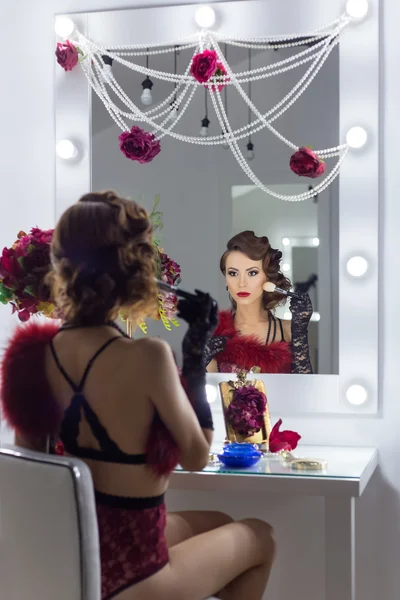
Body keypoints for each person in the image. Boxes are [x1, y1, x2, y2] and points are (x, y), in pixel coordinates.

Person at [1, 192, 275, 600]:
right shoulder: (147, 357)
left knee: (217, 519)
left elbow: (35, 468)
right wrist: (196, 356)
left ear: (61, 266)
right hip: (134, 573)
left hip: (75, 554)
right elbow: (197, 457)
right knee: (260, 535)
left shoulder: (35, 356)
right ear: (137, 272)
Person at [206, 230, 313, 374]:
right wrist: (200, 361)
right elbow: (196, 394)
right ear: (226, 279)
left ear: (268, 278)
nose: (241, 283)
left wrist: (300, 331)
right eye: (233, 273)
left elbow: (306, 389)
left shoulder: (288, 331)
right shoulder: (213, 332)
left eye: (252, 273)